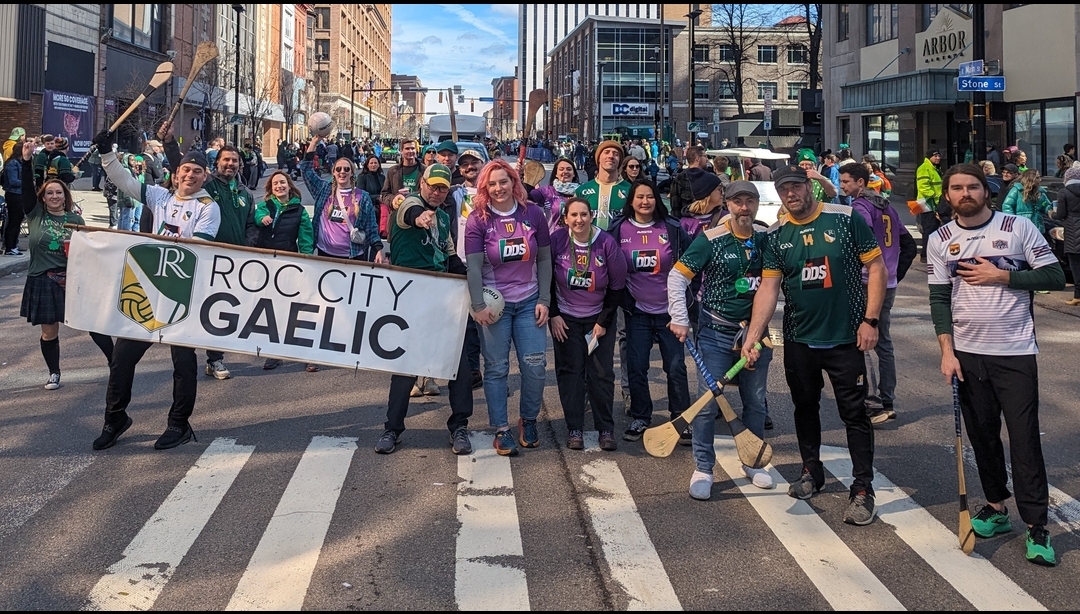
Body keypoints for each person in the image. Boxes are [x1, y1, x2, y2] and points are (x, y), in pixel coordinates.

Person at [927, 163, 1065, 566]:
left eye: (972, 186)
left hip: (1015, 351)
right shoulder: (940, 239)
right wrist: (946, 351)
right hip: (968, 354)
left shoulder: (1017, 229)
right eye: (957, 188)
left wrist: (1003, 278)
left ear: (986, 191)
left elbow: (1055, 276)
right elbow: (939, 299)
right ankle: (997, 508)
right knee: (982, 435)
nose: (965, 193)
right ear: (948, 195)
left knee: (1024, 440)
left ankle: (1038, 526)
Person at [742, 165, 887, 526]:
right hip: (799, 339)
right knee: (804, 407)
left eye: (796, 187)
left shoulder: (844, 219)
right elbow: (768, 289)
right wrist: (753, 335)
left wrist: (871, 321)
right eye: (784, 189)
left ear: (810, 187)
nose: (791, 194)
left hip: (845, 337)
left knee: (853, 414)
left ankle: (863, 488)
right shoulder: (776, 236)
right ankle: (811, 471)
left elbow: (878, 268)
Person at [91, 127, 221, 451]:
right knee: (122, 357)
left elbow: (196, 248)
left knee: (183, 362)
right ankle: (115, 418)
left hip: (183, 294)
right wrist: (107, 153)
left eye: (197, 171)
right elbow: (125, 181)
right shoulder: (159, 196)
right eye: (186, 170)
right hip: (149, 290)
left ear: (204, 177)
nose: (190, 175)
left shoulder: (208, 207)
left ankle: (179, 423)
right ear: (176, 174)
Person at [668, 180, 775, 498]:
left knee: (755, 402)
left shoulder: (766, 239)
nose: (744, 207)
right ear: (727, 204)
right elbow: (678, 276)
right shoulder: (711, 240)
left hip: (755, 334)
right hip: (716, 333)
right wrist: (679, 317)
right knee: (706, 404)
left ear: (756, 204)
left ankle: (753, 462)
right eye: (738, 201)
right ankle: (703, 467)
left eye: (750, 201)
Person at [371, 164, 476, 456]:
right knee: (406, 367)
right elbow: (411, 214)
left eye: (443, 188)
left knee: (459, 366)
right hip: (410, 298)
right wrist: (421, 217)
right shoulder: (410, 204)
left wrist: (476, 281)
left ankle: (459, 426)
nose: (437, 192)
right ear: (422, 184)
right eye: (432, 185)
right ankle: (392, 428)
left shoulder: (443, 218)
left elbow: (452, 258)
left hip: (442, 299)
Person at [465, 158, 552, 456]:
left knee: (535, 365)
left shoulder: (533, 213)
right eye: (492, 183)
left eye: (504, 181)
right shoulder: (479, 219)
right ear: (484, 188)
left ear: (514, 182)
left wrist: (544, 300)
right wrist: (477, 304)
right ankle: (501, 429)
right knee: (497, 368)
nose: (498, 188)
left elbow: (544, 258)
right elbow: (474, 267)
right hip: (495, 306)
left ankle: (528, 420)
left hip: (529, 301)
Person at [16, 140, 113, 389]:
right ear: (44, 197)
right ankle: (54, 373)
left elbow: (90, 250)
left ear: (65, 195)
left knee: (92, 324)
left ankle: (116, 365)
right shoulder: (36, 214)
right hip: (42, 279)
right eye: (50, 193)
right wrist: (26, 162)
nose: (55, 196)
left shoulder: (75, 218)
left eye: (59, 192)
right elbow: (27, 189)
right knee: (50, 332)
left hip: (73, 279)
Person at [610, 179, 693, 442]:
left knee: (676, 366)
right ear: (631, 201)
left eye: (650, 197)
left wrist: (690, 298)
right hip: (637, 311)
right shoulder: (617, 229)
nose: (645, 202)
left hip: (670, 311)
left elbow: (692, 261)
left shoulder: (672, 228)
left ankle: (680, 417)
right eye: (639, 197)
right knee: (636, 366)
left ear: (657, 200)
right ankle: (640, 416)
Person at [548, 197, 627, 451]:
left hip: (597, 318)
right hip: (566, 319)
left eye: (584, 215)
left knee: (601, 374)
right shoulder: (558, 240)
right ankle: (575, 428)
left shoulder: (606, 243)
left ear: (591, 216)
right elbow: (545, 279)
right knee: (570, 373)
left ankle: (605, 428)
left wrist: (603, 321)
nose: (579, 220)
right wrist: (554, 314)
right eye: (574, 215)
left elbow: (617, 286)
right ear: (566, 219)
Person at [842, 164, 917, 424]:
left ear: (860, 183)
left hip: (866, 280)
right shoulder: (888, 207)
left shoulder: (860, 208)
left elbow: (852, 243)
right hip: (889, 282)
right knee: (884, 341)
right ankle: (887, 398)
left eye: (847, 182)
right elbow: (908, 244)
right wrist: (896, 273)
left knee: (863, 337)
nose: (843, 186)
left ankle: (872, 402)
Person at [442, 148, 487, 391]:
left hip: (489, 267)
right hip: (460, 265)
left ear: (484, 164)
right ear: (459, 170)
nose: (470, 167)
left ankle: (493, 372)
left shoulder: (494, 191)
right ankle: (472, 371)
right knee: (466, 323)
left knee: (489, 320)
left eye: (475, 162)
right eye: (465, 164)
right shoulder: (454, 194)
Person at [575, 140, 630, 231]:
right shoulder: (582, 190)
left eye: (615, 154)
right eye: (606, 152)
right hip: (590, 243)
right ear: (599, 158)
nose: (611, 156)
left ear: (620, 160)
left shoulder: (630, 190)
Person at [379, 139, 423, 239]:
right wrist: (393, 199)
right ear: (401, 151)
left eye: (412, 148)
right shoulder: (392, 171)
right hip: (397, 219)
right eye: (407, 148)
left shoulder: (424, 170)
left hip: (418, 218)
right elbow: (384, 194)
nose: (410, 151)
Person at [529, 157, 579, 234]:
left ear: (574, 173)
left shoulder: (582, 191)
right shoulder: (547, 191)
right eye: (561, 169)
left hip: (577, 240)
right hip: (553, 240)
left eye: (569, 169)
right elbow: (527, 197)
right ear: (556, 174)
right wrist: (525, 179)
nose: (565, 171)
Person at [1054, 166, 1080, 305]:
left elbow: (1061, 214)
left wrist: (1052, 213)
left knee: (1075, 265)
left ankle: (1077, 296)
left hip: (1072, 231)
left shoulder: (1064, 192)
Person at [1001, 169, 1053, 234]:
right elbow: (1007, 206)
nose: (1040, 180)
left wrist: (1050, 209)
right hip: (1021, 227)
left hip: (1037, 227)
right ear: (1030, 178)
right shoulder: (1017, 190)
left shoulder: (1040, 192)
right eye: (1037, 178)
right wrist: (1014, 222)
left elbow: (1045, 206)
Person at [916, 149, 945, 262]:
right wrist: (935, 196)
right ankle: (925, 255)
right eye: (935, 156)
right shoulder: (924, 168)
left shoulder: (935, 168)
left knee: (934, 229)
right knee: (929, 230)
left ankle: (930, 254)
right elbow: (923, 187)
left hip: (934, 202)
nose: (938, 158)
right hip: (928, 204)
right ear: (929, 157)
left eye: (939, 156)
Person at [3, 139, 26, 255]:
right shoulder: (13, 163)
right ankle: (10, 246)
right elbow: (13, 181)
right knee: (14, 221)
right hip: (14, 194)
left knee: (17, 221)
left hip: (19, 194)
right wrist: (27, 182)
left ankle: (12, 245)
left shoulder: (21, 162)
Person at [356, 155, 386, 225]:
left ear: (379, 165)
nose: (373, 165)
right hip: (368, 204)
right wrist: (377, 197)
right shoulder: (362, 177)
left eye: (375, 163)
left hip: (382, 202)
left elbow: (386, 190)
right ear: (367, 165)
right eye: (371, 163)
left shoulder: (382, 177)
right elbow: (360, 194)